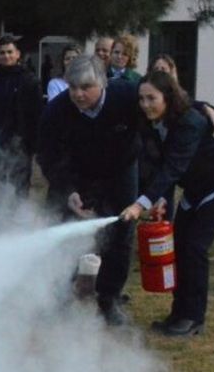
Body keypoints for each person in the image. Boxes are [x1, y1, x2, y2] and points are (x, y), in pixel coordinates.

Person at [118, 71, 214, 337]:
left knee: (195, 247)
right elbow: (160, 166)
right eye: (141, 99)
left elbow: (172, 168)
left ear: (168, 97)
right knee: (179, 245)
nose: (145, 104)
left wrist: (140, 205)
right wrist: (160, 198)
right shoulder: (152, 123)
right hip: (194, 185)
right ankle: (179, 312)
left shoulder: (189, 122)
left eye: (152, 98)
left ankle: (194, 317)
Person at [37, 55, 141, 326]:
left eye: (85, 87)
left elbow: (165, 99)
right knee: (64, 234)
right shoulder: (56, 111)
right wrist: (68, 190)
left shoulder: (127, 96)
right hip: (76, 175)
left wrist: (204, 107)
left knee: (121, 234)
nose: (78, 94)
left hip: (121, 170)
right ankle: (62, 297)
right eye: (72, 88)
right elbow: (48, 156)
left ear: (103, 83)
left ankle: (109, 300)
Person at [0, 34, 41, 190]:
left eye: (10, 52)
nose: (6, 56)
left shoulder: (30, 81)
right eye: (2, 53)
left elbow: (36, 116)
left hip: (20, 148)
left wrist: (34, 148)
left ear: (17, 54)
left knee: (19, 190)